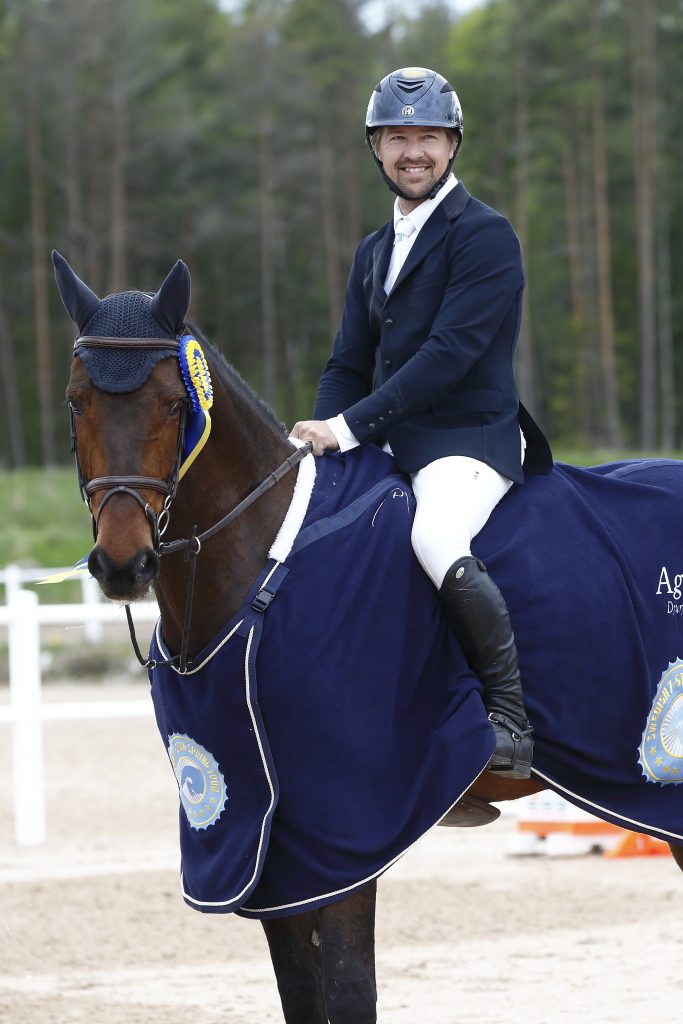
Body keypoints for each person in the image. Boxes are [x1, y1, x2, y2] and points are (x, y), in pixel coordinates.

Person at [291, 66, 552, 778]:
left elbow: (447, 357)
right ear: (375, 147)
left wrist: (348, 429)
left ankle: (509, 722)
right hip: (393, 439)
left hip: (467, 438)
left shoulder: (485, 236)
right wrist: (319, 434)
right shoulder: (373, 249)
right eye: (398, 138)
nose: (414, 152)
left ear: (452, 145)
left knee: (434, 535)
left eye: (428, 138)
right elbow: (348, 361)